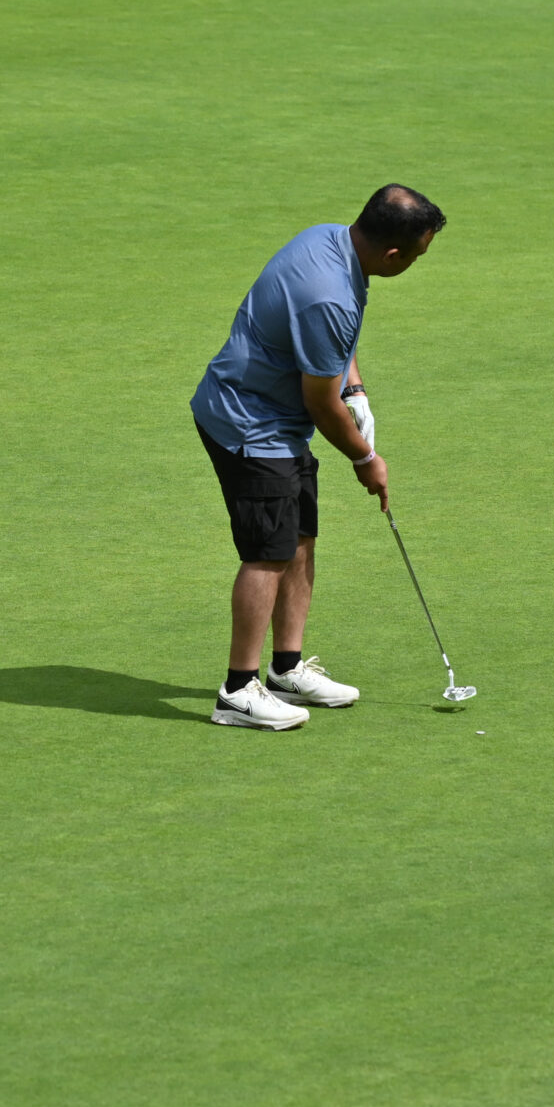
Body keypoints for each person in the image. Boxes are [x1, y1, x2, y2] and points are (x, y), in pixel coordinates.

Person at [189, 184, 447, 730]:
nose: (415, 265)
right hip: (248, 423)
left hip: (276, 422)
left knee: (299, 534)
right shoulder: (330, 291)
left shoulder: (331, 241)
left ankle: (286, 669)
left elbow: (336, 348)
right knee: (268, 552)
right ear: (393, 253)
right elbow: (318, 402)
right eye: (418, 256)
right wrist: (364, 457)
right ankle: (237, 690)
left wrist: (356, 390)